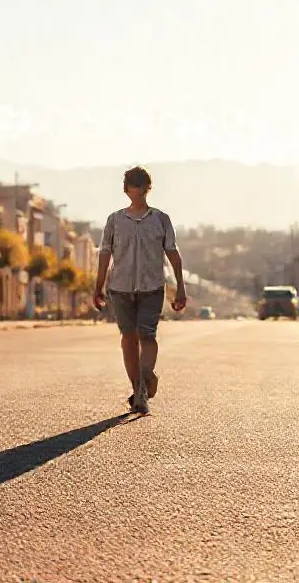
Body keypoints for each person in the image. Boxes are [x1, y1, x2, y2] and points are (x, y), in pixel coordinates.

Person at [93, 166, 186, 414]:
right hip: (120, 289)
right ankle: (139, 389)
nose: (137, 190)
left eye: (141, 185)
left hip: (151, 287)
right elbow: (104, 254)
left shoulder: (160, 219)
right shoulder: (115, 220)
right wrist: (98, 286)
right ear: (126, 190)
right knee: (128, 339)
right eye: (132, 185)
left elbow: (173, 255)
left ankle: (144, 383)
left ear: (148, 188)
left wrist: (180, 289)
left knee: (148, 335)